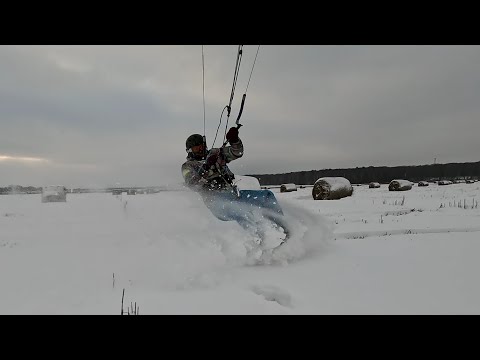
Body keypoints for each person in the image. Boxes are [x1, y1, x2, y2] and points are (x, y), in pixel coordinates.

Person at [181, 127, 243, 194]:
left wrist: (235, 141)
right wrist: (206, 166)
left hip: (231, 189)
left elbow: (237, 153)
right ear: (189, 150)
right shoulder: (187, 166)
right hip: (209, 197)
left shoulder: (215, 153)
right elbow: (191, 184)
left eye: (202, 146)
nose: (200, 149)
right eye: (196, 148)